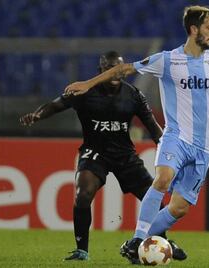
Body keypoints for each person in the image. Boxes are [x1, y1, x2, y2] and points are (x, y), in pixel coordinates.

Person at [64, 5, 209, 264]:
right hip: (176, 137)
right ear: (193, 29)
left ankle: (138, 243)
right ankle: (137, 240)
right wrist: (87, 84)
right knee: (163, 178)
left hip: (204, 149)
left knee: (178, 208)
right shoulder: (167, 60)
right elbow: (123, 71)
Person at [19, 51, 187, 261]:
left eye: (118, 68)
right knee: (83, 194)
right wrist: (37, 115)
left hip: (125, 155)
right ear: (101, 71)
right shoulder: (85, 92)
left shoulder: (134, 95)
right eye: (109, 68)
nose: (115, 73)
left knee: (152, 198)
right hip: (95, 152)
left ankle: (163, 242)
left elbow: (153, 128)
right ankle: (82, 251)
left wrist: (171, 155)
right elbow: (55, 105)